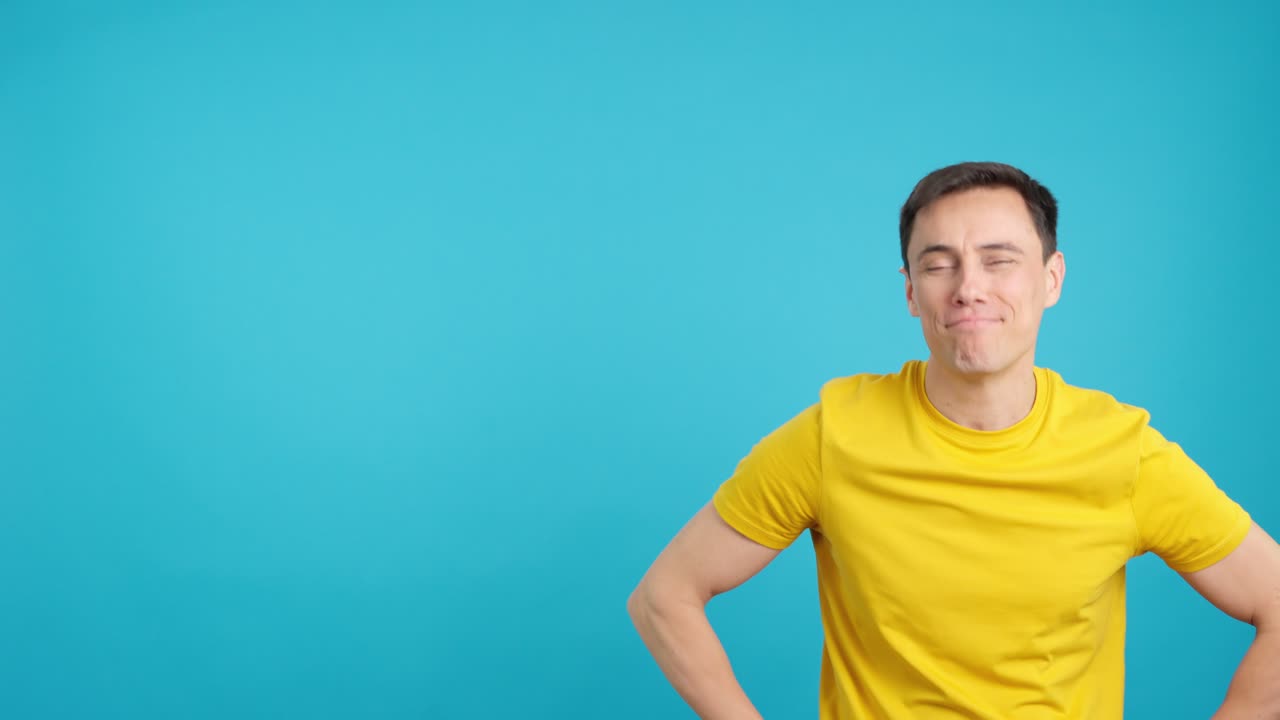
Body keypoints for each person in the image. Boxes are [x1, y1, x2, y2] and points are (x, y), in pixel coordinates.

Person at [626, 162, 1280, 719]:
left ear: (1051, 279)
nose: (969, 288)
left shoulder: (1124, 452)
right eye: (939, 265)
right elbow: (663, 598)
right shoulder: (835, 435)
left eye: (1000, 261)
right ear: (912, 292)